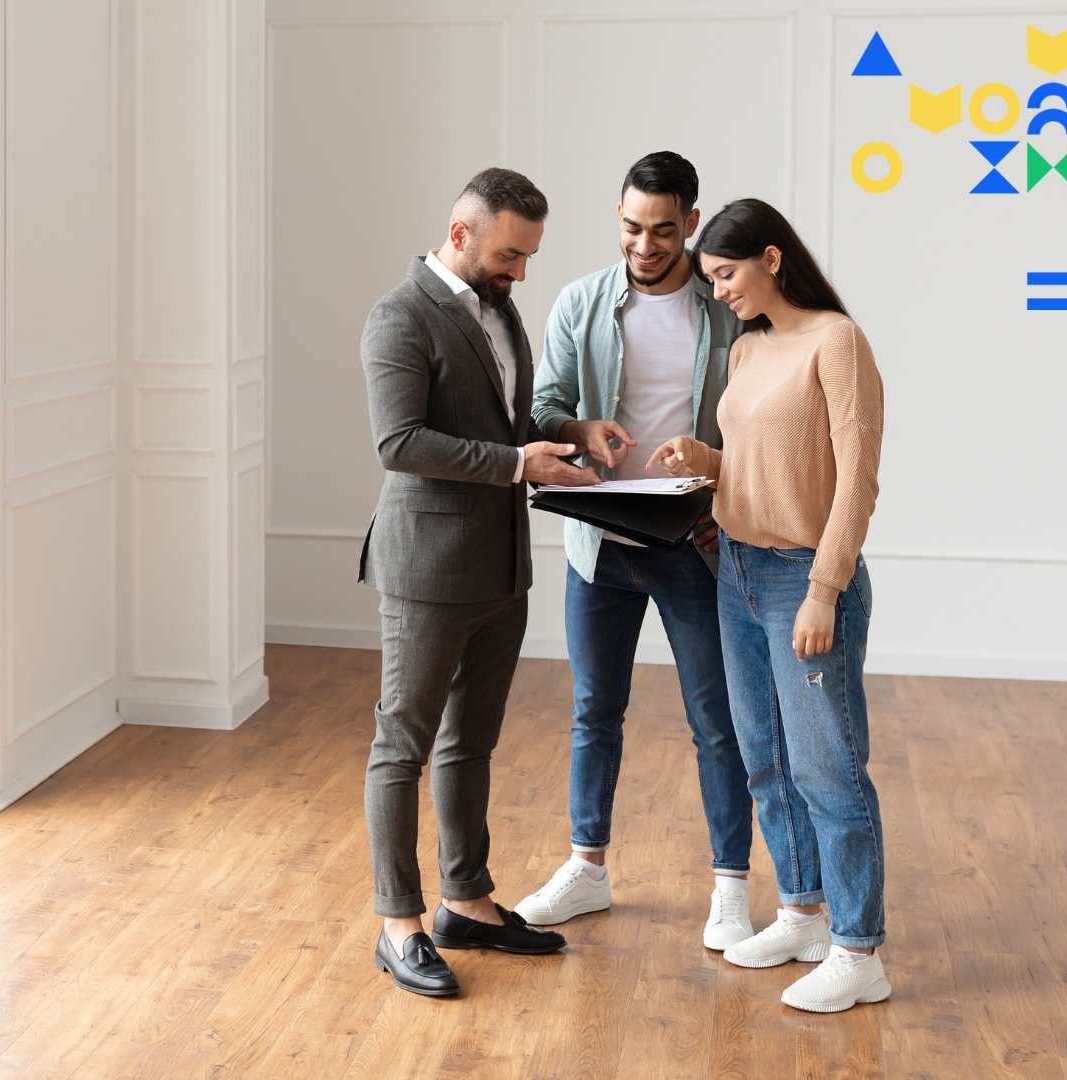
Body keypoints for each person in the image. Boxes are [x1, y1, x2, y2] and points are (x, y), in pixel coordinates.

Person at [357, 167, 599, 997]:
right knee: (404, 744)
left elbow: (503, 422)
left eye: (528, 257)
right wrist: (514, 464)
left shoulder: (499, 311)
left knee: (472, 743)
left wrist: (566, 431)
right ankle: (400, 923)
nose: (520, 272)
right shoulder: (398, 316)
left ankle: (467, 900)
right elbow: (400, 443)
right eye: (508, 254)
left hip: (500, 564)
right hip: (426, 569)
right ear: (459, 234)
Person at [648, 196, 889, 1013]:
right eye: (711, 279)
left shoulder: (837, 341)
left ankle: (860, 951)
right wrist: (706, 460)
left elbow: (855, 477)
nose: (719, 292)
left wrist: (825, 588)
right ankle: (803, 913)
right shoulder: (749, 349)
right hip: (736, 571)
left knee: (828, 768)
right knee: (764, 758)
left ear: (772, 258)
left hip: (802, 576)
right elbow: (761, 459)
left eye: (726, 274)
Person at [514, 151, 756, 953]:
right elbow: (543, 404)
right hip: (601, 545)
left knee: (717, 721)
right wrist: (580, 430)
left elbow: (762, 424)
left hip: (695, 544)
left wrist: (725, 487)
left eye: (661, 229)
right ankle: (588, 867)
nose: (645, 245)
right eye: (630, 228)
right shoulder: (582, 303)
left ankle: (730, 887)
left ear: (691, 221)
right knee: (594, 712)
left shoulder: (728, 311)